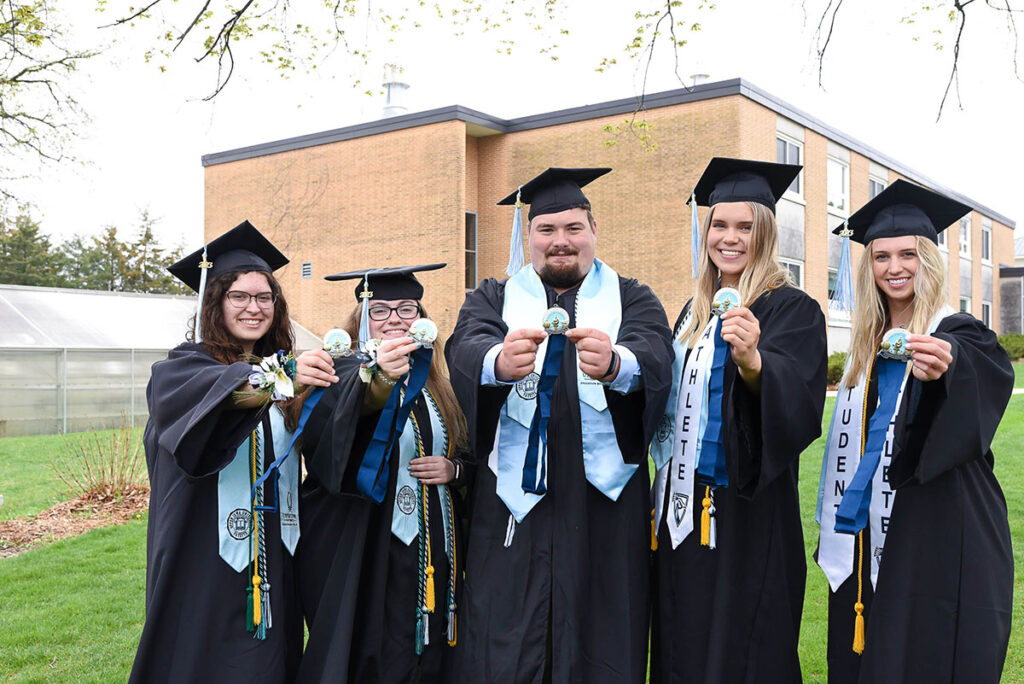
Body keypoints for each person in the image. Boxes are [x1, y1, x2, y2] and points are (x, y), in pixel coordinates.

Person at [446, 167, 674, 683]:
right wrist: (498, 362)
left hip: (604, 505)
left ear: (595, 231)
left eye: (573, 228)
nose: (560, 242)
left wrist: (618, 363)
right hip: (514, 505)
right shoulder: (493, 298)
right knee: (507, 641)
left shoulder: (633, 297)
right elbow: (463, 346)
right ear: (528, 238)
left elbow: (656, 351)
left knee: (601, 637)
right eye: (546, 230)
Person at [815, 179, 1014, 684]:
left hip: (939, 530)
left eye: (908, 254)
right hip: (862, 538)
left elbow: (982, 380)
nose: (894, 268)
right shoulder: (865, 346)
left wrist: (945, 370)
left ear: (929, 259)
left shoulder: (957, 331)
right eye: (881, 257)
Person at [649, 158, 827, 683]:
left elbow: (798, 402)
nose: (729, 238)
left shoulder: (791, 308)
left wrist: (754, 363)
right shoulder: (692, 312)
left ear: (765, 233)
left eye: (745, 227)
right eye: (719, 225)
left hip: (748, 509)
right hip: (680, 506)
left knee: (744, 644)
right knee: (683, 637)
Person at [130, 220, 303, 682]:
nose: (254, 307)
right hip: (205, 556)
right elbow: (225, 400)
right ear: (216, 302)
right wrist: (280, 380)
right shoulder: (184, 368)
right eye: (239, 296)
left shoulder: (284, 377)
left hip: (274, 551)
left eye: (264, 297)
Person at [292, 263, 472, 683]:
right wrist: (376, 385)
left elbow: (470, 455)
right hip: (370, 544)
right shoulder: (339, 374)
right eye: (381, 310)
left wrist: (455, 469)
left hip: (436, 546)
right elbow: (325, 445)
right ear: (361, 320)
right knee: (377, 650)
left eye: (406, 309)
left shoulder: (440, 385)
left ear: (422, 319)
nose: (394, 318)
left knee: (431, 651)